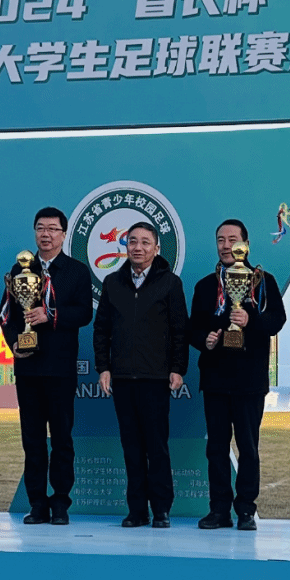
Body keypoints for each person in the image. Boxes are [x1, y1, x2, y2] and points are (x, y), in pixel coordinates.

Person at [188, 219, 286, 531]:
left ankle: (245, 510)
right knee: (216, 448)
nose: (226, 245)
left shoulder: (263, 281)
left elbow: (277, 321)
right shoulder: (206, 286)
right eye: (221, 239)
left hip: (249, 380)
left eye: (233, 239)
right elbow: (193, 327)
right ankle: (219, 510)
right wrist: (205, 339)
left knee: (248, 447)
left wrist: (250, 319)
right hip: (215, 378)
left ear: (246, 244)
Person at [0, 207, 92, 526]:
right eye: (40, 228)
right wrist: (14, 342)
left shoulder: (77, 271)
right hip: (28, 368)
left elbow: (85, 313)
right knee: (32, 439)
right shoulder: (20, 269)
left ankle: (61, 501)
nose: (46, 234)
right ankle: (37, 502)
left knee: (62, 438)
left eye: (53, 228)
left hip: (60, 368)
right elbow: (7, 314)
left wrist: (51, 315)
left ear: (64, 234)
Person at [95, 222, 188, 528]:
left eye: (145, 242)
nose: (138, 247)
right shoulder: (112, 282)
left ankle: (161, 509)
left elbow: (180, 330)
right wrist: (103, 367)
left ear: (157, 248)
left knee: (156, 447)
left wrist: (177, 368)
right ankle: (136, 510)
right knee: (131, 448)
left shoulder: (170, 283)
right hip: (122, 378)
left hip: (155, 378)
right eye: (132, 241)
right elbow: (102, 329)